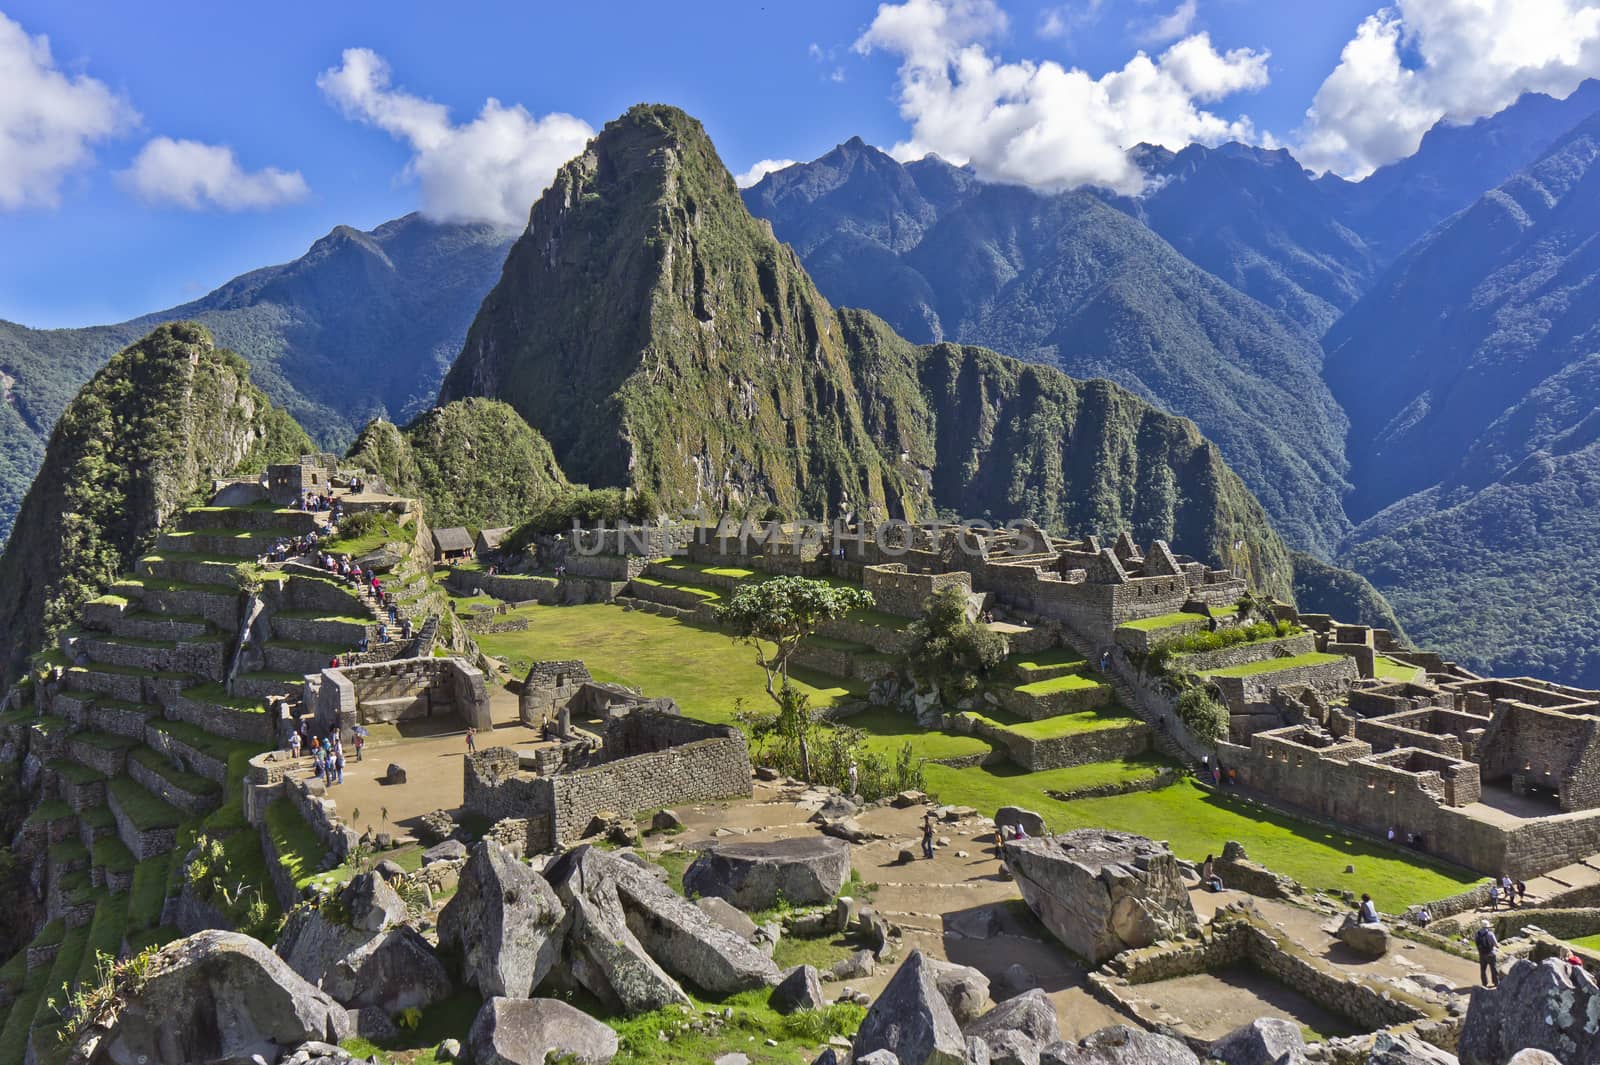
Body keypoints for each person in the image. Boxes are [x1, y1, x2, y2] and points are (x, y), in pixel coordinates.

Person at [1475, 920, 1500, 987]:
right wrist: (1498, 947)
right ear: (1487, 927)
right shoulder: (1490, 934)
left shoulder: (1477, 933)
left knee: (1483, 970)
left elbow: (1476, 943)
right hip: (1490, 954)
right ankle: (1496, 983)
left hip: (1482, 954)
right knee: (1493, 969)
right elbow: (1496, 944)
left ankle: (1484, 983)